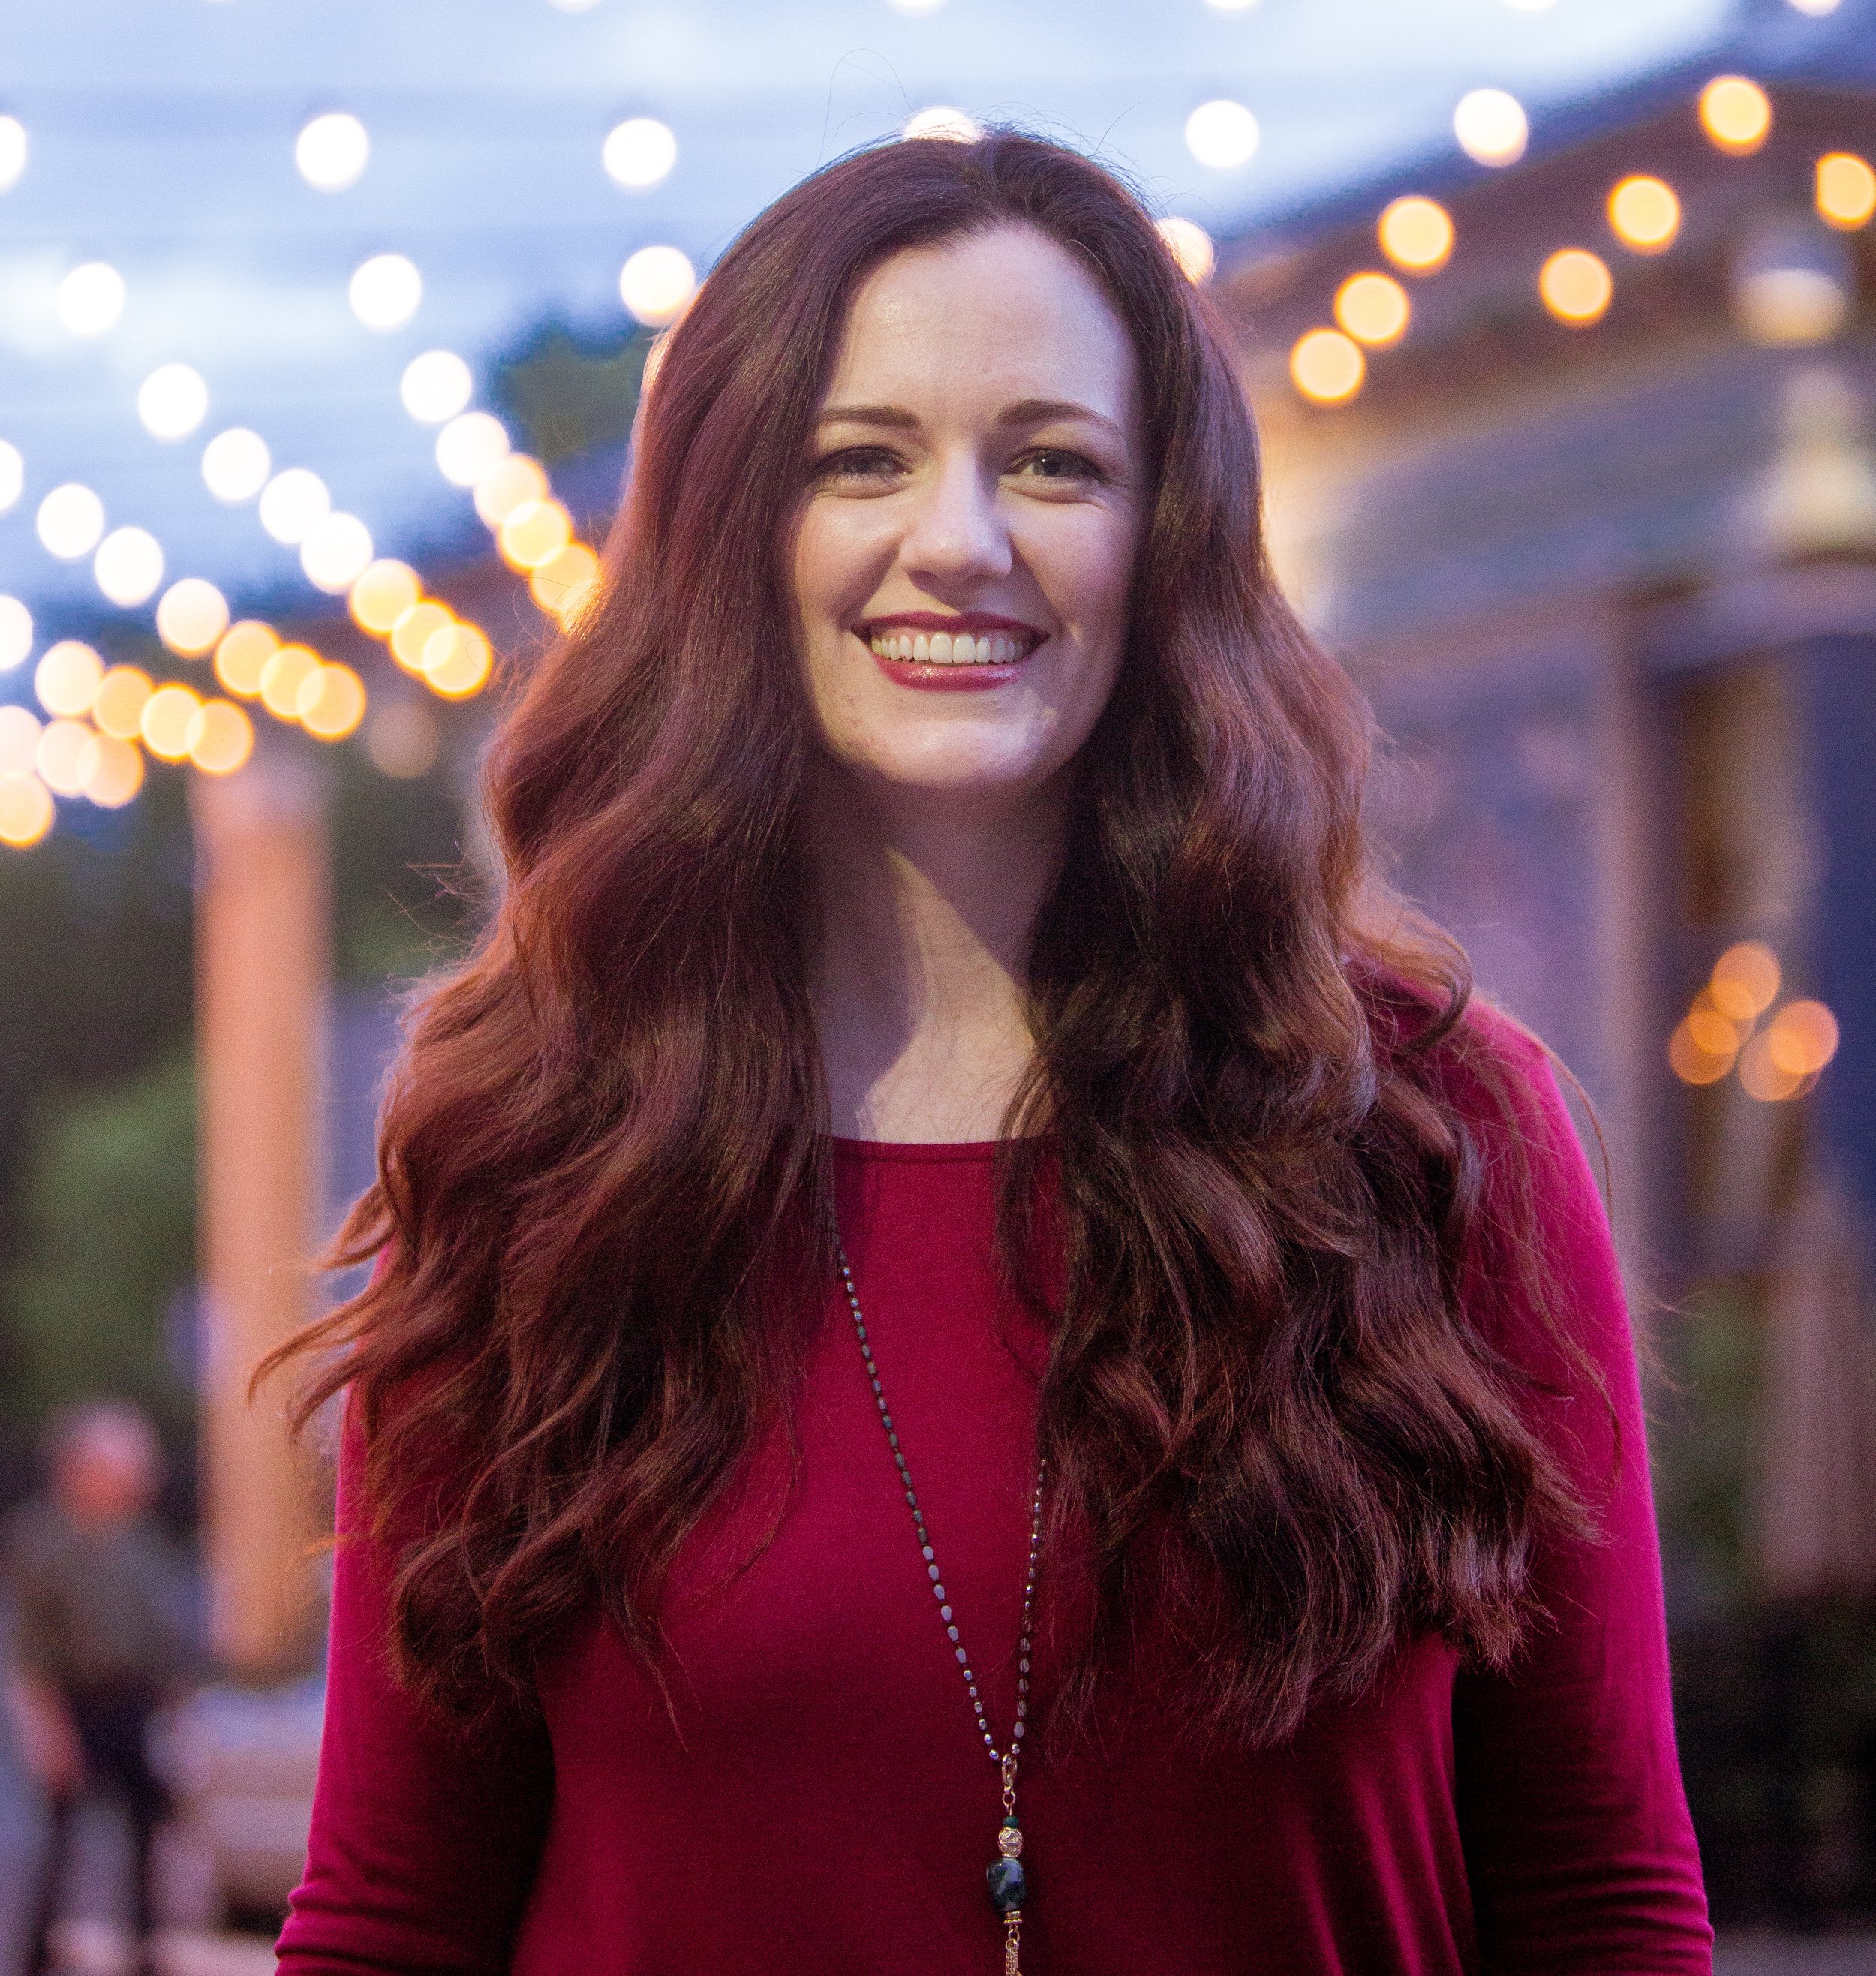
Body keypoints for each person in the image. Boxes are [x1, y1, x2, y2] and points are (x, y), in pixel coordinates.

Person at [275, 131, 1712, 1975]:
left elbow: (1604, 1896)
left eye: (1054, 458)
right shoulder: (536, 1151)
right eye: (858, 457)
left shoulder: (1438, 1126)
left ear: (1166, 537)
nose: (959, 535)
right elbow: (391, 1915)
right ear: (730, 538)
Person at [5, 1402, 191, 1976]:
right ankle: (35, 1954)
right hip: (73, 1703)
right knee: (62, 1843)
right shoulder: (40, 1538)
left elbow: (163, 1636)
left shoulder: (140, 1541)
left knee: (145, 1835)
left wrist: (177, 1715)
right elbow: (29, 1652)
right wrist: (45, 1733)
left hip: (133, 1704)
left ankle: (145, 1952)